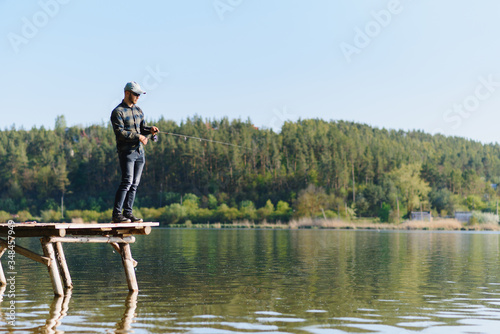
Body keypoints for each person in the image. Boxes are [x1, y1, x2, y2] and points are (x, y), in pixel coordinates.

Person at [110, 81, 159, 223]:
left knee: (135, 184)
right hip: (126, 152)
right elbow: (120, 133)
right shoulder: (117, 112)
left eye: (139, 94)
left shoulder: (139, 111)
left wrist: (150, 130)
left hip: (139, 153)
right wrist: (139, 137)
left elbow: (141, 128)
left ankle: (128, 213)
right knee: (127, 181)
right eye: (136, 94)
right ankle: (117, 215)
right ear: (127, 93)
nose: (138, 97)